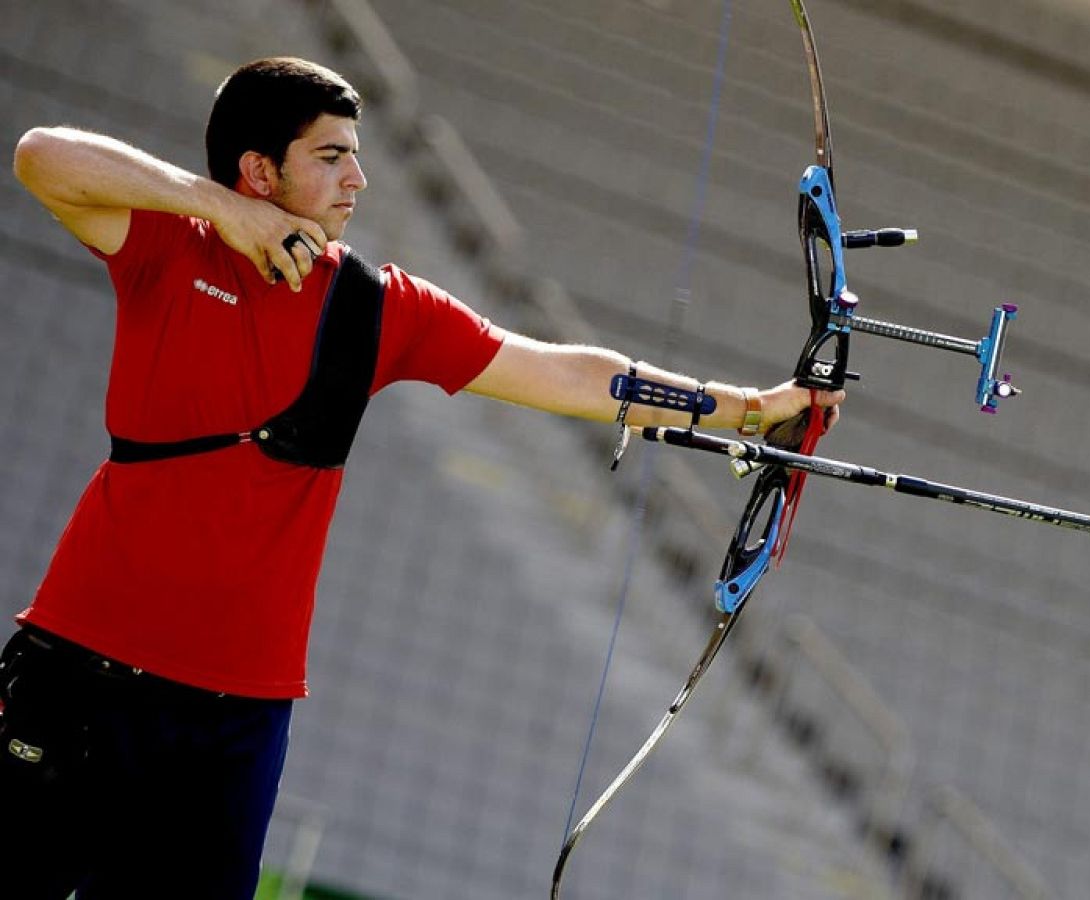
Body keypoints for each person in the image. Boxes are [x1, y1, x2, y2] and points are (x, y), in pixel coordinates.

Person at [2, 57, 842, 899]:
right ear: (259, 170)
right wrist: (221, 211)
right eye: (330, 156)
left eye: (357, 156)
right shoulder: (165, 246)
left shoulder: (378, 307)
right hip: (84, 674)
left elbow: (570, 375)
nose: (358, 178)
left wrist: (752, 407)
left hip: (238, 715)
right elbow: (41, 154)